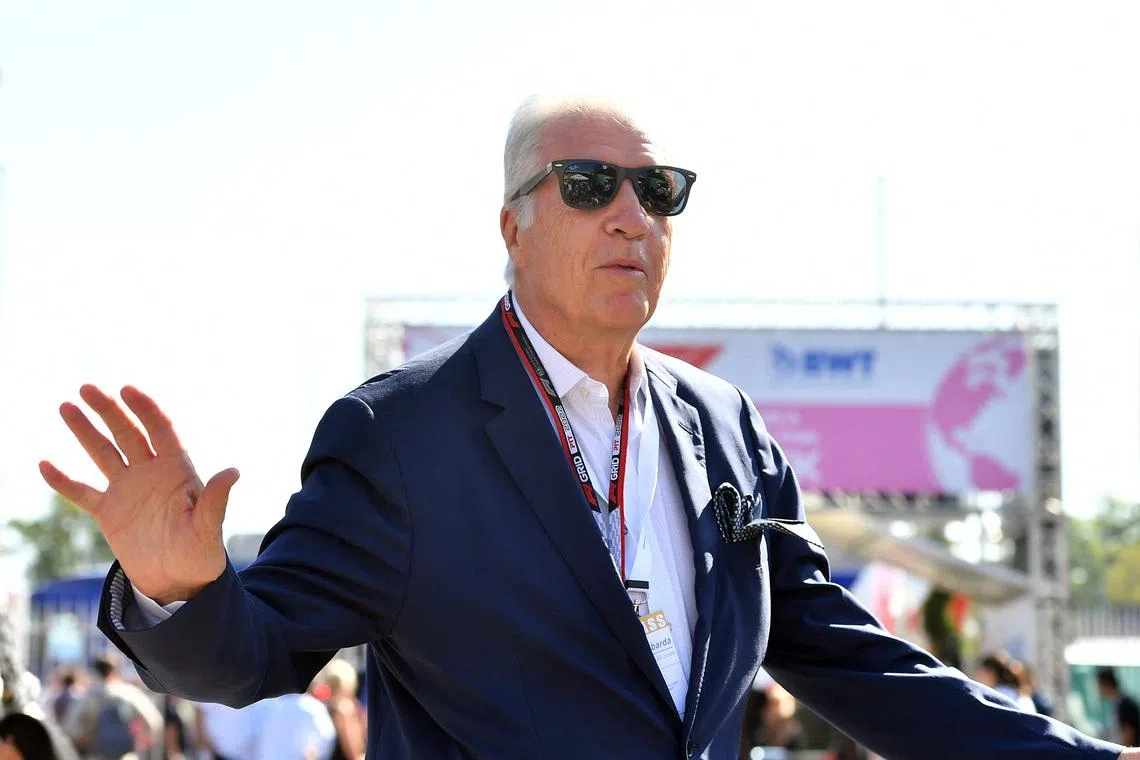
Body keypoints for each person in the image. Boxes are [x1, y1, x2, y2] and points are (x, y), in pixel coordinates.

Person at [39, 94, 1138, 760]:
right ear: (511, 226)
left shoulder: (724, 424)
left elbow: (854, 663)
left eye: (657, 189)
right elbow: (260, 653)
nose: (631, 214)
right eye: (588, 182)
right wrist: (180, 587)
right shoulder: (399, 438)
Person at [63, 655, 162, 760]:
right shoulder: (130, 693)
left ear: (96, 672)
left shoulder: (90, 696)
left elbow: (71, 727)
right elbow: (154, 721)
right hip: (125, 754)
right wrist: (140, 740)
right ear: (115, 671)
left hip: (96, 754)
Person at [1098, 668, 1140, 748]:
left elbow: (1129, 733)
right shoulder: (1116, 702)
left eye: (1099, 685)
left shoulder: (1124, 703)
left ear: (1106, 684)